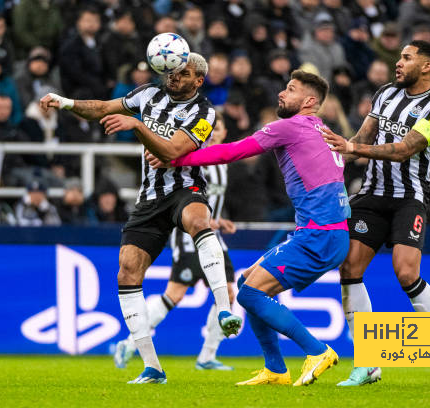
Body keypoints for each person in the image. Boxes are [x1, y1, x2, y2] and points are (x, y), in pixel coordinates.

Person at [40, 52, 241, 384]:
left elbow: (174, 152)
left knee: (199, 221)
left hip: (184, 188)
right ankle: (152, 367)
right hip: (149, 198)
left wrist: (137, 125)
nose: (175, 76)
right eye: (172, 70)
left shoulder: (204, 112)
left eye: (183, 73)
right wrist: (64, 102)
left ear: (198, 81)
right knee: (127, 269)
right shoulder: (148, 94)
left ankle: (223, 309)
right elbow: (102, 108)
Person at [147, 69, 350, 386]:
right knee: (247, 282)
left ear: (309, 101)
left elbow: (232, 151)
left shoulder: (290, 127)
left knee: (250, 293)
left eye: (291, 89)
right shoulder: (321, 129)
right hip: (327, 232)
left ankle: (318, 350)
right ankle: (275, 369)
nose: (282, 93)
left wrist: (175, 159)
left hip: (318, 235)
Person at [321, 40, 430, 387]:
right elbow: (360, 139)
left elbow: (405, 150)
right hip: (371, 195)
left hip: (408, 199)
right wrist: (327, 164)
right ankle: (368, 364)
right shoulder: (385, 93)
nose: (398, 63)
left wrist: (354, 147)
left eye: (406, 58)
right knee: (349, 268)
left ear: (427, 66)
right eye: (399, 56)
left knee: (406, 273)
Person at [113, 113, 238, 371]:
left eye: (219, 129)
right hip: (190, 237)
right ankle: (130, 342)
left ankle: (207, 356)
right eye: (210, 129)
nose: (213, 133)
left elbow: (208, 201)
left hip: (214, 237)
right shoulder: (194, 157)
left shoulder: (223, 162)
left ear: (225, 133)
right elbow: (183, 193)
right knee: (175, 293)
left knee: (228, 293)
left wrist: (219, 220)